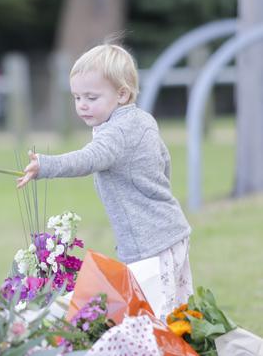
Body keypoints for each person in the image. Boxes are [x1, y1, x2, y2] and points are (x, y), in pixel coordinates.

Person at [16, 44, 193, 315]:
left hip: (152, 242)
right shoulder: (140, 120)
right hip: (167, 231)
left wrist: (45, 165)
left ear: (122, 94)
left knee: (154, 314)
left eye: (91, 97)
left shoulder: (117, 132)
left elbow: (89, 159)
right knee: (171, 310)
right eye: (76, 97)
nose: (82, 105)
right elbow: (164, 162)